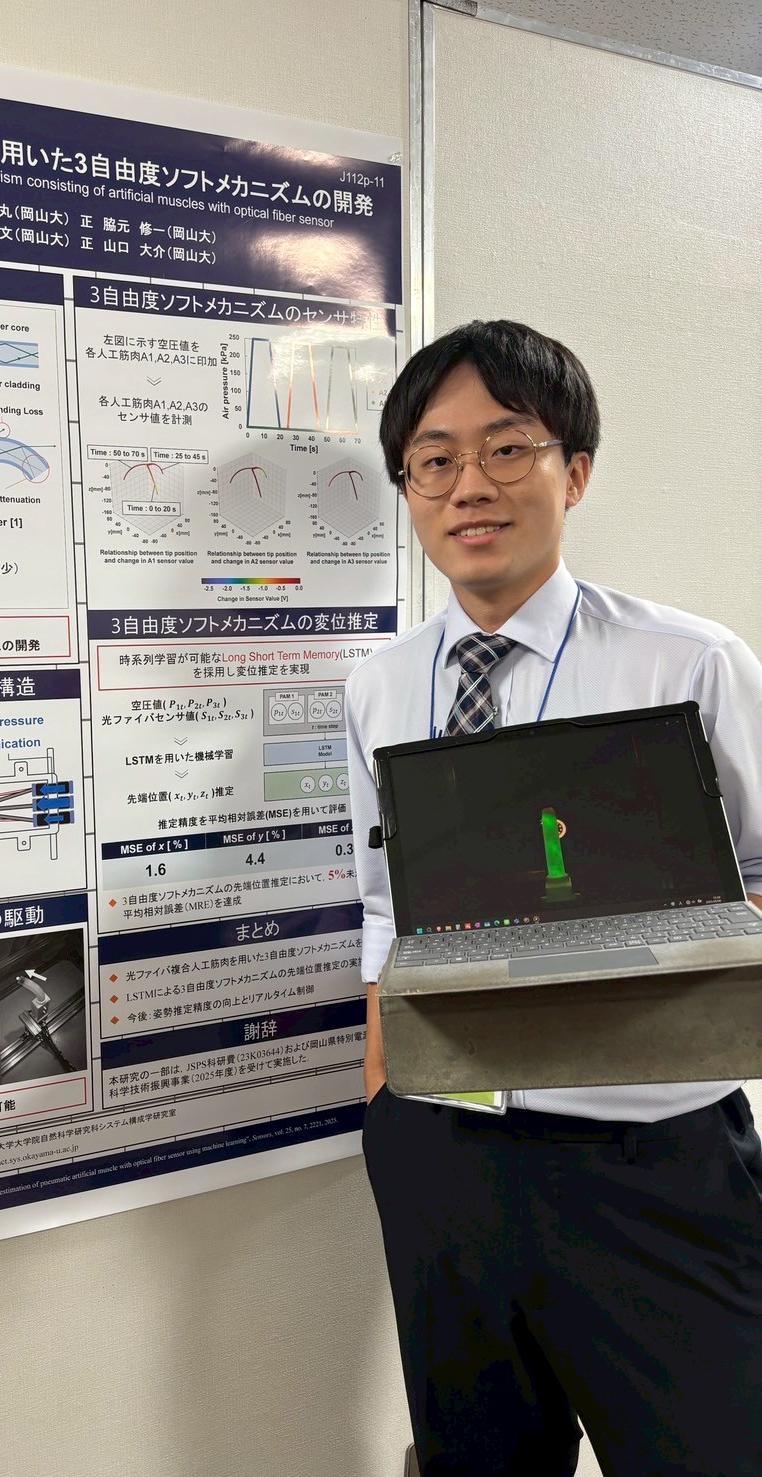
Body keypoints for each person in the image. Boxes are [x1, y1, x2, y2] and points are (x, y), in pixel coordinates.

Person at [345, 319, 762, 1476]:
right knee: (475, 1461)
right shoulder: (378, 684)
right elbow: (381, 902)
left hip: (646, 1156)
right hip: (445, 1151)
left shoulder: (687, 664)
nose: (468, 486)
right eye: (433, 460)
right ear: (408, 489)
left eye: (506, 448)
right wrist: (384, 1091)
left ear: (572, 471)